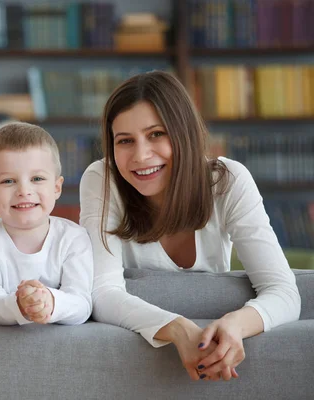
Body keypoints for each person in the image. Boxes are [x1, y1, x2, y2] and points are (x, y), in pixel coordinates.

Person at [79, 71, 300, 381]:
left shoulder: (228, 181)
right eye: (125, 141)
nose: (141, 156)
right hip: (135, 370)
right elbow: (101, 293)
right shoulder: (102, 179)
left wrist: (235, 325)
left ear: (183, 132)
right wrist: (180, 330)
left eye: (156, 134)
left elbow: (284, 292)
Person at [0, 122, 93, 325]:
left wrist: (49, 301)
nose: (24, 191)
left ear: (56, 188)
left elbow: (82, 304)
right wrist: (19, 304)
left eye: (36, 178)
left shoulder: (73, 237)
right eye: (8, 181)